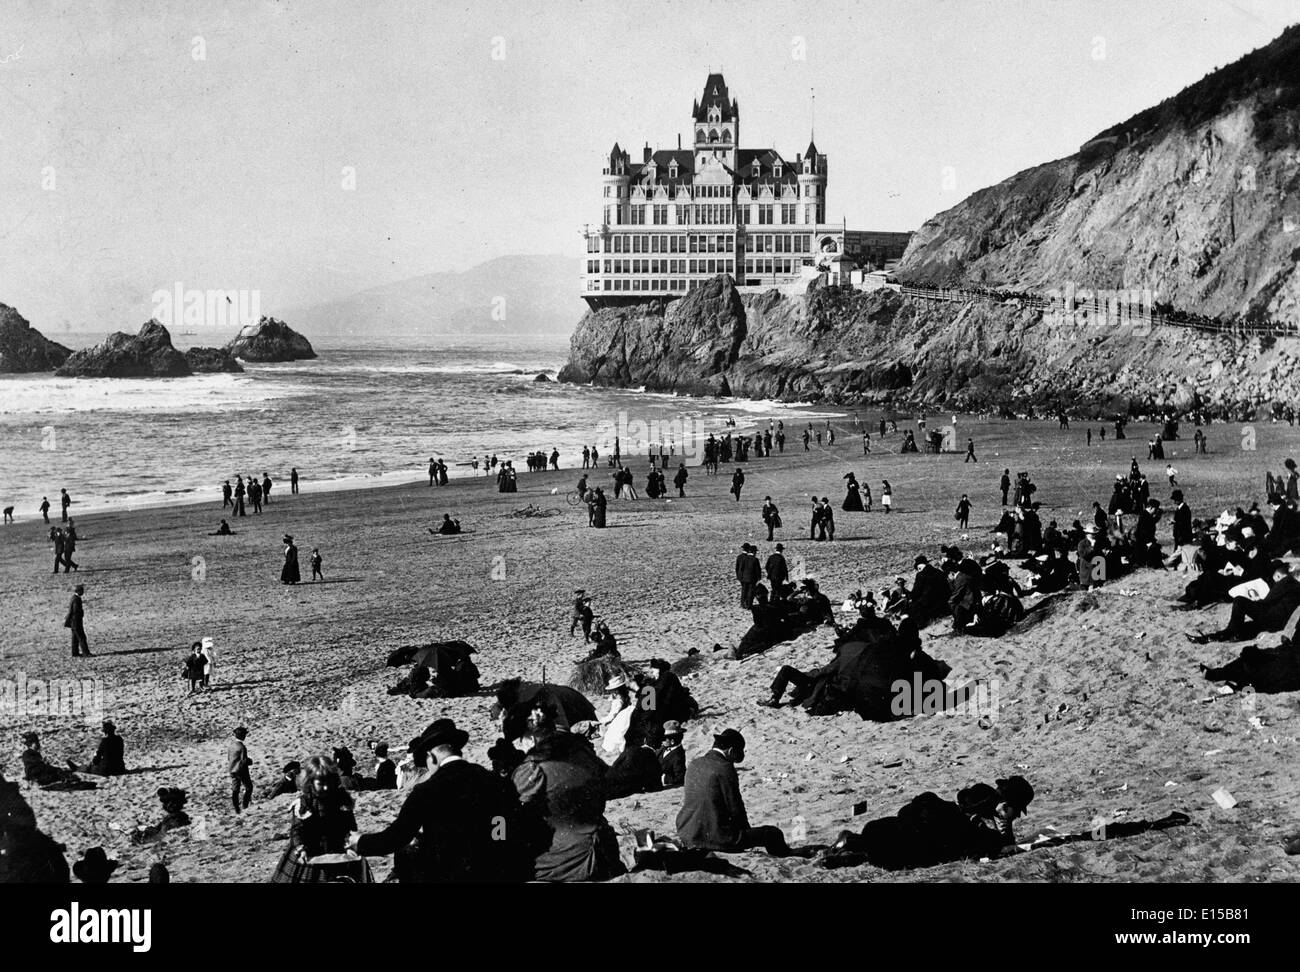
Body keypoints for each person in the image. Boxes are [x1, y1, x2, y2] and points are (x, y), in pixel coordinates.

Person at [351, 719, 524, 882]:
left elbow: (398, 836)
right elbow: (501, 822)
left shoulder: (427, 790)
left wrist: (360, 842)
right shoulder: (494, 781)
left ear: (431, 757)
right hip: (492, 872)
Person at [511, 699, 625, 881]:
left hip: (563, 861)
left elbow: (512, 815)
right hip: (605, 849)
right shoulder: (584, 753)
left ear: (530, 738)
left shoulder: (533, 770)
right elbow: (609, 783)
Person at [676, 729, 794, 856]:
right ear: (731, 751)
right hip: (716, 837)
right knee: (772, 833)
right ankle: (785, 854)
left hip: (687, 832)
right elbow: (735, 808)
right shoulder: (724, 768)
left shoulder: (694, 763)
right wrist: (746, 834)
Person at [272, 757, 373, 883]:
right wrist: (301, 849)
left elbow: (350, 826)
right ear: (310, 782)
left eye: (329, 782)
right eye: (321, 784)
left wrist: (350, 843)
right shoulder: (305, 803)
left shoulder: (342, 799)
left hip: (339, 850)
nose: (326, 787)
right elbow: (297, 830)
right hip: (311, 851)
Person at [1189, 560, 1300, 644]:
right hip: (1281, 622)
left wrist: (1256, 600)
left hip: (1272, 619)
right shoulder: (1295, 586)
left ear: (1279, 575)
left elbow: (1267, 602)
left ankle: (1225, 635)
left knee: (1239, 600)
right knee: (1245, 627)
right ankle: (1219, 636)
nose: (1275, 582)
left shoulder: (1286, 582)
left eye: (1275, 578)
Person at [228, 726, 253, 814]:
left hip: (232, 769)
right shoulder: (242, 747)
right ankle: (245, 806)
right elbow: (244, 761)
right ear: (243, 736)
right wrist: (250, 761)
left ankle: (236, 809)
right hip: (241, 771)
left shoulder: (231, 745)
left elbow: (229, 758)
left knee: (235, 790)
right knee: (249, 787)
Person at [657, 721, 687, 788]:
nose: (662, 741)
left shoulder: (678, 756)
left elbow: (679, 778)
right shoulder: (663, 748)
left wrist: (663, 778)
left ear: (672, 741)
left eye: (664, 739)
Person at [65, 584, 90, 657]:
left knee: (75, 638)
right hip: (76, 621)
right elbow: (76, 611)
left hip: (73, 622)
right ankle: (86, 653)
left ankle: (75, 653)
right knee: (81, 637)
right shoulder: (76, 599)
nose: (83, 592)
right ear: (78, 591)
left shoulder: (74, 598)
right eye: (82, 591)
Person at [735, 543, 761, 610]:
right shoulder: (755, 559)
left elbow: (741, 568)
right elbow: (757, 570)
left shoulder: (744, 558)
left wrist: (740, 576)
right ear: (754, 552)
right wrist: (759, 578)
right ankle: (749, 605)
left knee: (744, 591)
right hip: (752, 578)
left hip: (744, 578)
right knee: (750, 592)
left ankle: (743, 604)